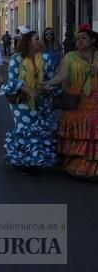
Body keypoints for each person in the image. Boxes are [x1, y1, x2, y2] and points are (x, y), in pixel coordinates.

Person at [42, 24, 98, 180]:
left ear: (93, 40)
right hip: (76, 101)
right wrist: (49, 83)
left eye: (83, 38)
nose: (79, 41)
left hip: (95, 100)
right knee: (82, 126)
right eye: (78, 38)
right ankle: (76, 165)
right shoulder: (70, 57)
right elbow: (62, 76)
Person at [0, 29, 58, 174]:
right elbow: (13, 81)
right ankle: (23, 162)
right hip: (22, 101)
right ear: (29, 43)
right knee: (25, 129)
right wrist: (28, 89)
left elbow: (50, 78)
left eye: (39, 39)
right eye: (36, 39)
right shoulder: (17, 58)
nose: (40, 41)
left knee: (38, 130)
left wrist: (47, 87)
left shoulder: (45, 58)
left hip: (40, 100)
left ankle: (35, 162)